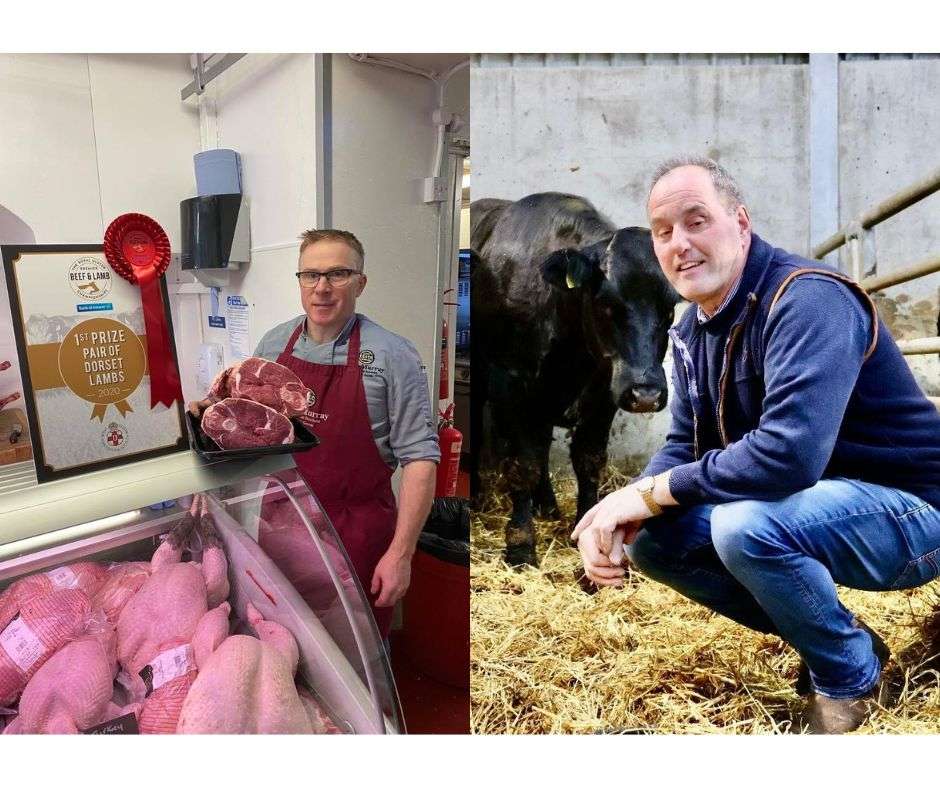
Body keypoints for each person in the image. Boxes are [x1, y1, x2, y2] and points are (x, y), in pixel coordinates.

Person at [571, 156, 940, 734]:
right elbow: (684, 445)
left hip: (913, 514)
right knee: (656, 541)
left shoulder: (806, 298)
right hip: (817, 508)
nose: (679, 244)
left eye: (697, 221)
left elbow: (788, 454)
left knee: (743, 526)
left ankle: (851, 682)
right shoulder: (692, 329)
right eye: (663, 232)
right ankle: (845, 643)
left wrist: (649, 494)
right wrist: (627, 505)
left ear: (740, 223)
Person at [194, 228, 439, 640]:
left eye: (337, 274)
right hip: (280, 527)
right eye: (310, 275)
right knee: (285, 645)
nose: (321, 288)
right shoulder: (274, 343)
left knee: (356, 657)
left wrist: (401, 554)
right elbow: (254, 428)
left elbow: (420, 460)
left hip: (355, 534)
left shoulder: (393, 355)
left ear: (361, 282)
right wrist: (214, 412)